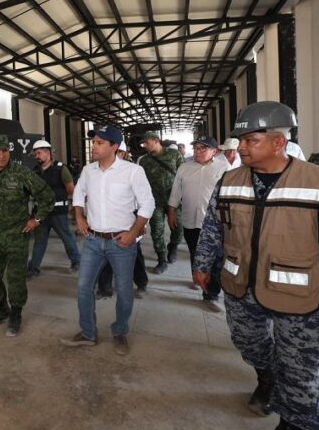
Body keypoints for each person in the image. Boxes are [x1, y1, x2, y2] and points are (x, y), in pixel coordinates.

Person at [193, 101, 319, 430]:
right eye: (240, 141)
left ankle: (297, 420)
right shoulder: (230, 180)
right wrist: (202, 265)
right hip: (242, 287)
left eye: (250, 140)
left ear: (278, 142)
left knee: (300, 369)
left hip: (298, 295)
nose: (240, 148)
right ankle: (268, 376)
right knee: (249, 345)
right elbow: (214, 227)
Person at [60, 125, 154, 355]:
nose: (94, 146)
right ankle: (88, 333)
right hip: (93, 240)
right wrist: (79, 217)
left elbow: (148, 204)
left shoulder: (132, 171)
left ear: (114, 146)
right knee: (83, 287)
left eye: (100, 143)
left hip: (120, 242)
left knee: (123, 290)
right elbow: (79, 194)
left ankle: (120, 331)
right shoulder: (88, 170)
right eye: (94, 142)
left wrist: (133, 233)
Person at [0, 134, 54, 337]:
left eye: (5, 151)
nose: (1, 156)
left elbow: (47, 196)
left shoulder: (21, 173)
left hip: (17, 235)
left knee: (15, 279)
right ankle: (1, 309)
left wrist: (36, 219)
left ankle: (16, 314)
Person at [167, 136, 229, 312]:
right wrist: (171, 212)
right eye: (196, 149)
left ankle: (211, 293)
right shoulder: (184, 167)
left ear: (214, 151)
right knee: (195, 252)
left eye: (203, 149)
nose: (198, 152)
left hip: (214, 224)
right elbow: (176, 191)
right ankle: (198, 275)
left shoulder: (224, 168)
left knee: (216, 259)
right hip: (190, 220)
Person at [96, 141, 149, 300]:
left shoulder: (134, 172)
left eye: (117, 153)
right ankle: (104, 288)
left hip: (128, 221)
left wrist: (142, 223)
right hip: (105, 223)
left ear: (123, 154)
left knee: (133, 255)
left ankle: (141, 283)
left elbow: (144, 200)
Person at [26, 140, 81, 278]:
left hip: (58, 214)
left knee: (67, 238)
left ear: (48, 153)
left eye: (39, 153)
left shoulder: (61, 169)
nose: (37, 156)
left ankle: (76, 262)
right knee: (40, 241)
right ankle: (33, 268)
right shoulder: (35, 172)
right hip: (41, 214)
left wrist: (74, 210)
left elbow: (70, 189)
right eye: (35, 154)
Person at [139, 131, 185, 273]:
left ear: (156, 140)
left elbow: (183, 176)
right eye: (143, 143)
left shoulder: (175, 155)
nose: (144, 145)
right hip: (155, 202)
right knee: (157, 232)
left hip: (174, 201)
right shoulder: (144, 160)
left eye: (146, 142)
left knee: (178, 229)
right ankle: (161, 259)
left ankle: (173, 246)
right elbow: (141, 182)